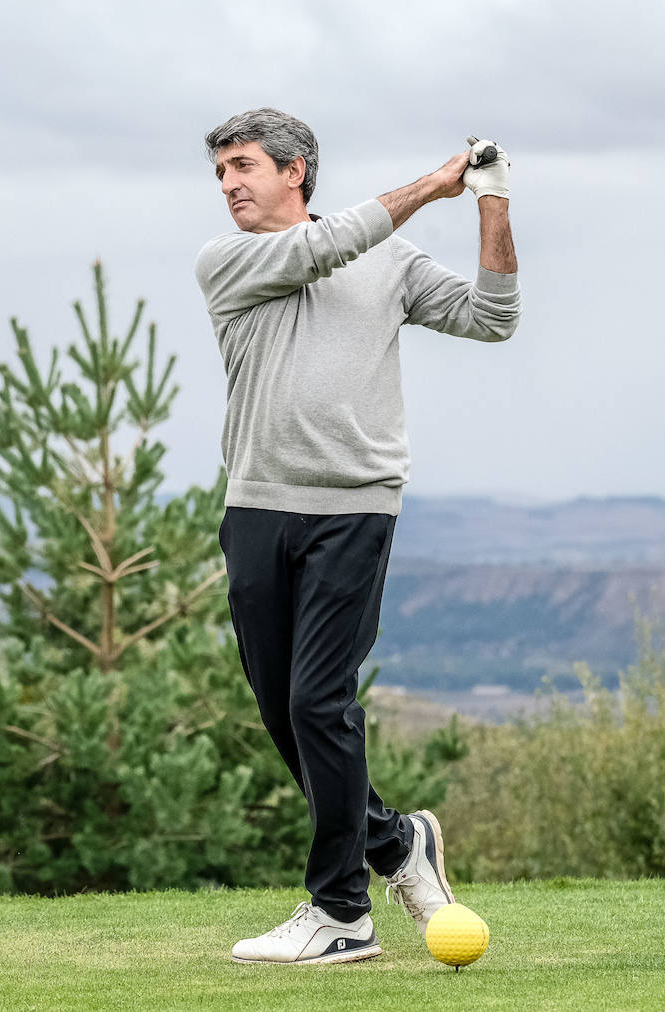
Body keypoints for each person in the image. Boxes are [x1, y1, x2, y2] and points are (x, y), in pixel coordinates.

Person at [194, 108, 520, 965]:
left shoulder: (389, 258)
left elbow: (493, 318)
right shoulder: (229, 260)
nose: (228, 184)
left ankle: (341, 912)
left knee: (317, 703)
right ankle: (394, 844)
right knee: (285, 715)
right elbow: (320, 250)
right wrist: (428, 185)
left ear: (295, 170)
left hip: (355, 507)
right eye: (220, 172)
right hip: (256, 508)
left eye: (243, 166)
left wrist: (490, 202)